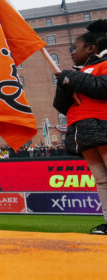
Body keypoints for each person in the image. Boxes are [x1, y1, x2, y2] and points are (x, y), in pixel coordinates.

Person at [54, 20, 107, 235]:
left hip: (102, 125)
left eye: (74, 49)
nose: (71, 53)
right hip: (82, 131)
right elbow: (60, 105)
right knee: (101, 179)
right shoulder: (78, 71)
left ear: (91, 49)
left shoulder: (103, 64)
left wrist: (72, 77)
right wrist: (65, 82)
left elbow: (102, 88)